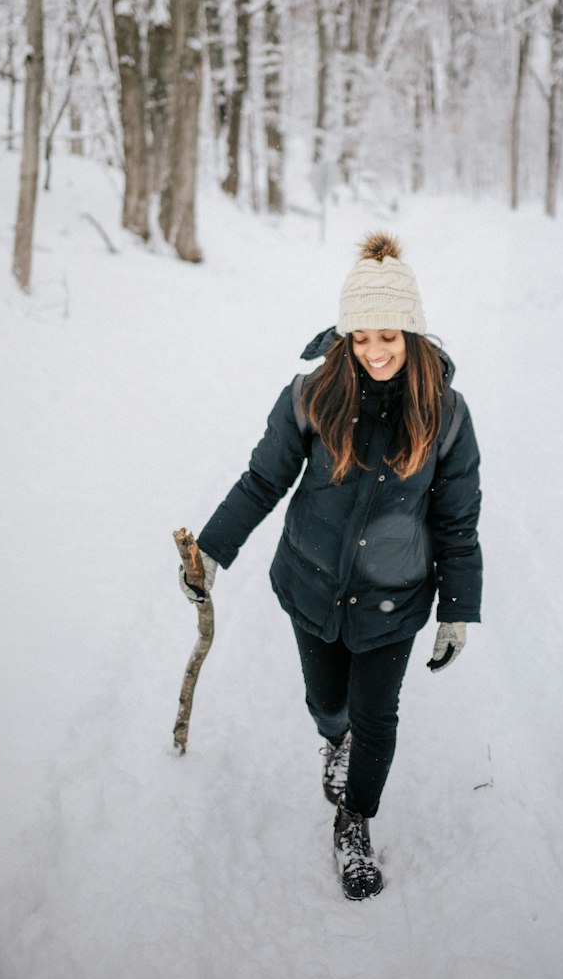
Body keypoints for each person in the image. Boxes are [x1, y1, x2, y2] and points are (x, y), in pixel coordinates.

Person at [182, 232, 482, 901]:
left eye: (390, 337)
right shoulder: (310, 396)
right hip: (311, 585)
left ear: (414, 335)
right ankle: (332, 738)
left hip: (394, 598)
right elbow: (263, 483)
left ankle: (355, 821)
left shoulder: (447, 415)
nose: (376, 352)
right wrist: (211, 549)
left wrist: (457, 610)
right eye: (362, 338)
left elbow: (458, 522)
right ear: (344, 337)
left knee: (378, 715)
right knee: (328, 703)